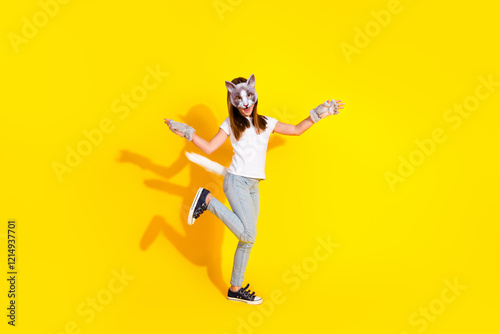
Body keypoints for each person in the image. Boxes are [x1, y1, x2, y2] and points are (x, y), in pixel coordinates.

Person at [165, 74, 344, 304]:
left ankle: (235, 289)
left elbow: (296, 130)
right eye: (238, 99)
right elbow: (209, 148)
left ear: (254, 95)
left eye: (249, 97)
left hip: (252, 185)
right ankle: (207, 200)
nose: (245, 104)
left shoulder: (265, 122)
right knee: (249, 233)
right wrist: (188, 132)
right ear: (232, 100)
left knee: (247, 239)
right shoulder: (230, 124)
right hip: (236, 181)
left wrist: (319, 113)